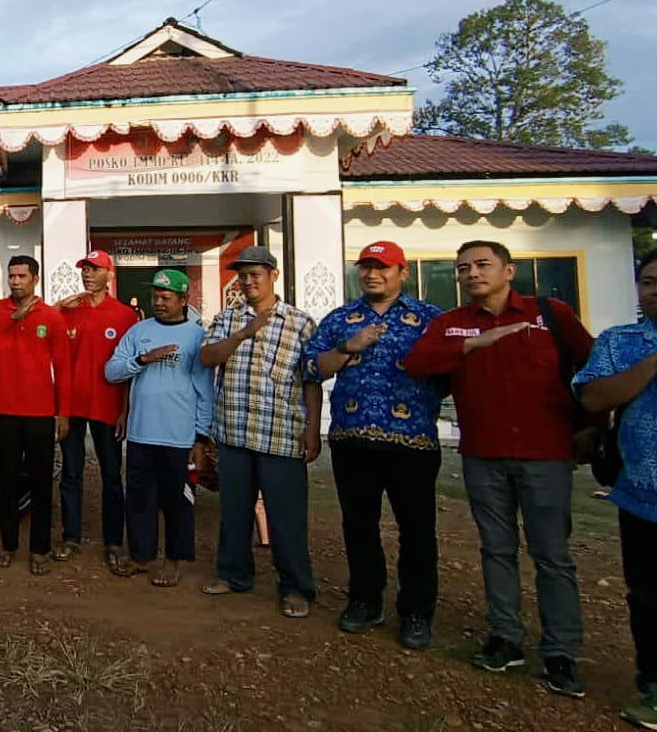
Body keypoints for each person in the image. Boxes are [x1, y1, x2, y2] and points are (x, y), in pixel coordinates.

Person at [404, 240, 593, 696]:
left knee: (552, 555)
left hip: (546, 454)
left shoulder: (550, 314)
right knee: (496, 549)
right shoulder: (451, 325)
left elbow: (591, 367)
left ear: (509, 270)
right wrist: (472, 346)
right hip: (483, 454)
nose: (472, 274)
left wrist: (591, 427)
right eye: (463, 268)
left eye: (482, 265)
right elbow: (416, 364)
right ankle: (505, 637)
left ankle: (561, 651)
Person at [302, 242, 445, 648]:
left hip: (413, 441)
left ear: (402, 271)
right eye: (365, 267)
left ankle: (417, 611)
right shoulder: (342, 319)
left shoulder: (430, 319)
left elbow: (450, 370)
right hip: (353, 439)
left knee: (417, 530)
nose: (372, 275)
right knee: (358, 525)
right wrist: (349, 347)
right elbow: (311, 367)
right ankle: (365, 600)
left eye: (382, 267)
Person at [574, 246, 657, 729]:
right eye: (649, 282)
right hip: (644, 489)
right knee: (649, 593)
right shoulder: (620, 342)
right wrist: (656, 364)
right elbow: (593, 395)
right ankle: (655, 685)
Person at [198, 245, 322, 619]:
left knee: (287, 519)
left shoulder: (300, 322)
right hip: (234, 432)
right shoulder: (227, 318)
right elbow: (206, 358)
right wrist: (243, 333)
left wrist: (313, 429)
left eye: (256, 274)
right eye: (243, 275)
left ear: (273, 276)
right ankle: (234, 575)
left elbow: (311, 380)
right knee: (234, 512)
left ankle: (296, 588)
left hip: (281, 435)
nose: (248, 281)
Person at [104, 269, 214, 586]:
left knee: (178, 500)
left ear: (183, 299)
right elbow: (111, 372)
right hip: (141, 433)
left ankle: (173, 560)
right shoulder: (139, 332)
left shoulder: (197, 336)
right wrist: (141, 359)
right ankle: (141, 556)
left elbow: (205, 388)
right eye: (155, 297)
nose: (159, 303)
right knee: (139, 499)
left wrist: (200, 436)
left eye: (167, 298)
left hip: (179, 437)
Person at [0, 256, 71, 575]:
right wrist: (11, 320)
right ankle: (7, 544)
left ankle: (40, 548)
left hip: (41, 414)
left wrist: (64, 412)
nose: (15, 281)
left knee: (41, 483)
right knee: (6, 482)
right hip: (3, 412)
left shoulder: (52, 317)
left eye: (22, 276)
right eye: (11, 276)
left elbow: (64, 368)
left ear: (35, 279)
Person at [54, 250, 136, 567]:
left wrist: (125, 411)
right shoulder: (70, 310)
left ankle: (114, 541)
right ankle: (70, 537)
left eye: (95, 269)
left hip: (107, 407)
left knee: (112, 475)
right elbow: (43, 327)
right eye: (85, 269)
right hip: (72, 407)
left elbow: (129, 369)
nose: (88, 274)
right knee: (71, 474)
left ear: (109, 275)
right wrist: (61, 306)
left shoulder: (125, 316)